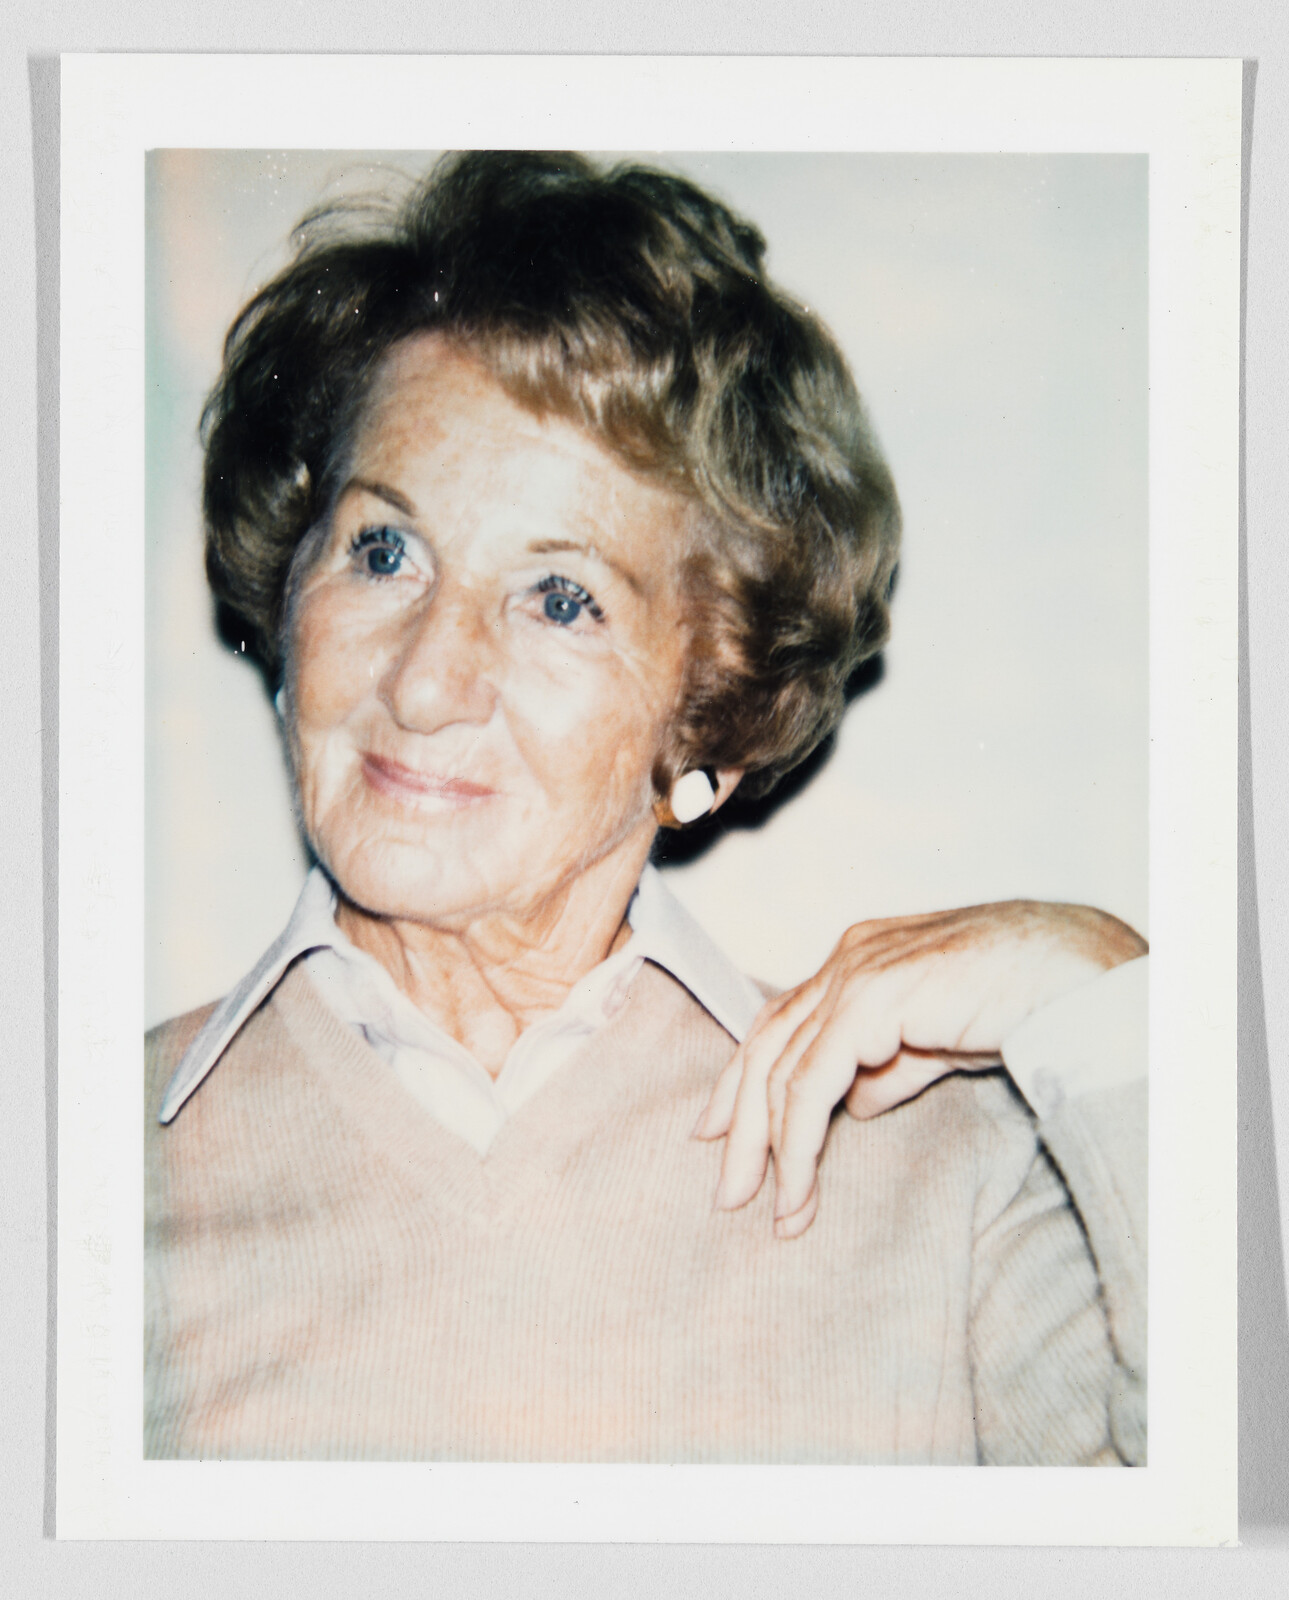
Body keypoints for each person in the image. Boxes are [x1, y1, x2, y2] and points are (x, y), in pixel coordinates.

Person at [145, 150, 1148, 1465]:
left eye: (561, 598)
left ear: (707, 730)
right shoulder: (80, 1171)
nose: (429, 676)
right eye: (382, 550)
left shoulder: (945, 1167)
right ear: (287, 596)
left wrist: (1102, 998)